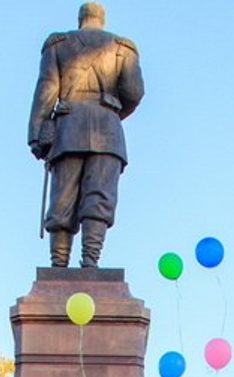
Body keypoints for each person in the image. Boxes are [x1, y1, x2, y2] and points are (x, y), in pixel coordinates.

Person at [28, 3, 144, 269]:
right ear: (102, 20)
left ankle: (58, 266)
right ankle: (90, 262)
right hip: (108, 132)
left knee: (62, 198)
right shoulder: (123, 49)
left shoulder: (58, 45)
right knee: (99, 198)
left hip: (67, 129)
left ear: (80, 19)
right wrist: (111, 110)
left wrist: (36, 132)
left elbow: (46, 91)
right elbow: (134, 92)